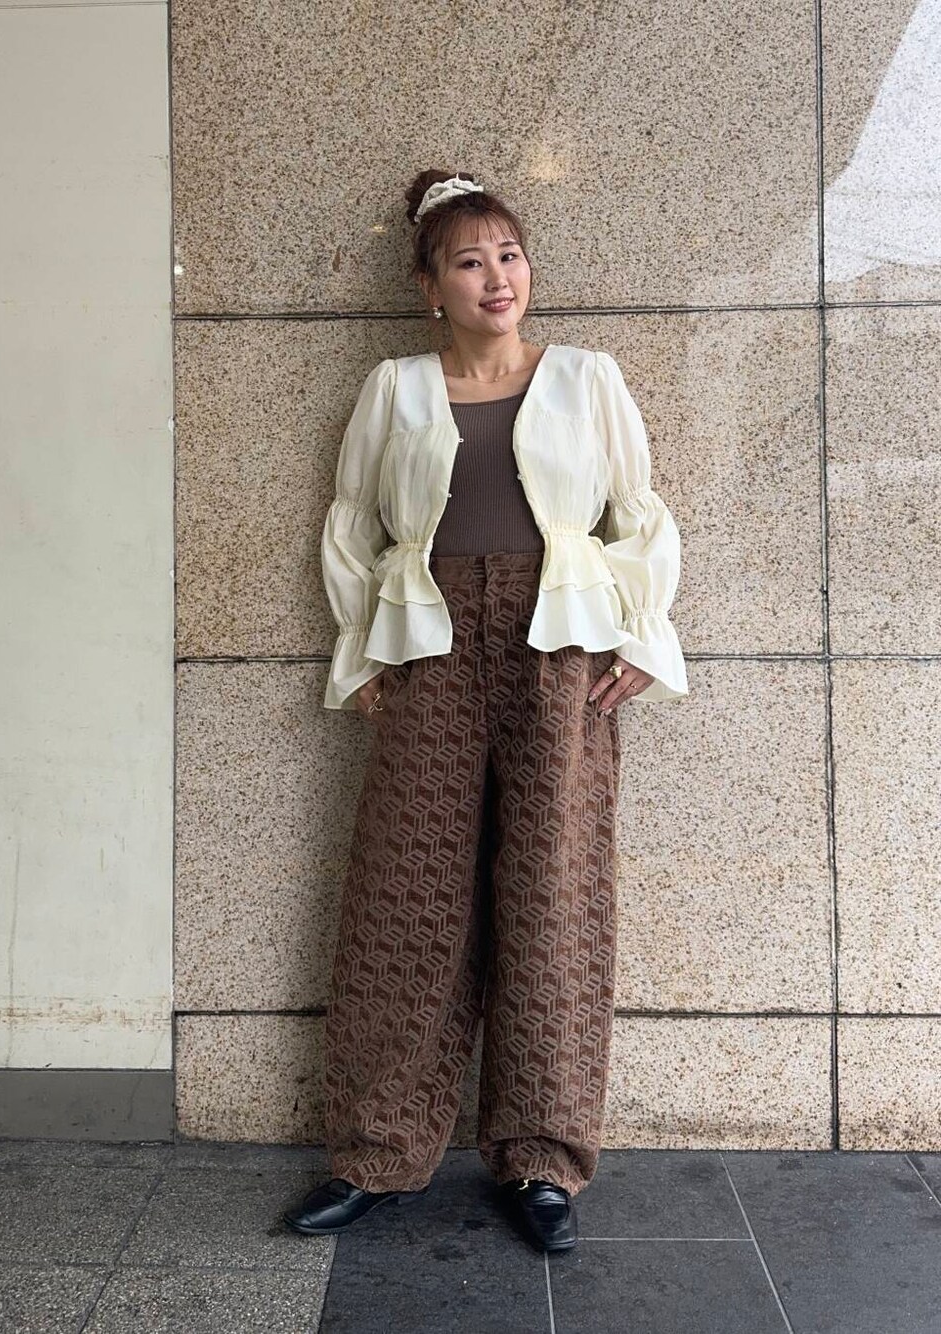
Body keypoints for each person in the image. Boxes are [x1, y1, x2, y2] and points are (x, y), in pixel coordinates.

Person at [283, 170, 688, 1254]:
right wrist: (363, 652)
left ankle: (543, 1158)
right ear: (431, 287)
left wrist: (640, 635)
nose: (495, 276)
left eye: (508, 254)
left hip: (558, 645)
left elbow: (636, 512)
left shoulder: (586, 378)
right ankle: (374, 1151)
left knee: (553, 892)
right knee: (405, 893)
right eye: (469, 260)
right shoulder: (396, 388)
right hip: (430, 649)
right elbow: (353, 525)